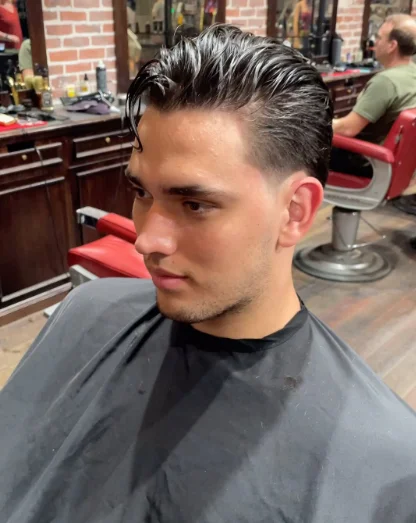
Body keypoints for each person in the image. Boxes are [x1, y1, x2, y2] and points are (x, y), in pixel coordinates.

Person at [1, 24, 416, 523]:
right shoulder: (86, 309)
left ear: (295, 212)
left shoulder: (388, 465)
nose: (146, 240)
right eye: (142, 193)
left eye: (194, 204)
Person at [331, 14, 416, 177]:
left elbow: (347, 129)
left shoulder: (386, 82)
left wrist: (312, 124)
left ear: (392, 46)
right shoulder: (412, 73)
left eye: (379, 37)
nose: (374, 42)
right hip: (397, 164)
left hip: (368, 162)